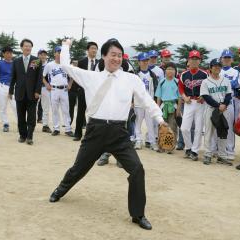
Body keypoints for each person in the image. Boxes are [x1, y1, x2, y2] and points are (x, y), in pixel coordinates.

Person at [49, 38, 166, 230]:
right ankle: (60, 190)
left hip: (119, 134)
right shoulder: (91, 77)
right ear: (104, 56)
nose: (117, 58)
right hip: (95, 131)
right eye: (113, 54)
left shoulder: (131, 79)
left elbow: (147, 100)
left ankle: (138, 214)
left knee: (137, 169)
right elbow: (64, 65)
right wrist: (66, 46)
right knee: (78, 169)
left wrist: (160, 120)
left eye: (120, 55)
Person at [9, 39, 42, 145]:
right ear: (21, 47)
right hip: (20, 92)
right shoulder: (16, 61)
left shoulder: (35, 60)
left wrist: (37, 91)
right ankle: (22, 135)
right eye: (26, 46)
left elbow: (39, 78)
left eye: (30, 46)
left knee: (32, 116)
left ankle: (29, 136)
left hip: (32, 94)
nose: (28, 48)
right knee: (21, 115)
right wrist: (10, 91)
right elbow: (13, 77)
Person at [200, 58, 232, 165]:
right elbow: (206, 97)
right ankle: (208, 154)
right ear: (210, 68)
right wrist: (219, 106)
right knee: (209, 132)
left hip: (224, 110)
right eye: (215, 66)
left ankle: (222, 156)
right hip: (211, 109)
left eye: (219, 65)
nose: (217, 67)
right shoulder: (205, 82)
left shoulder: (226, 80)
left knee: (223, 132)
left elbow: (228, 95)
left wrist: (224, 105)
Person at [179, 50, 208, 161]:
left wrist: (204, 96)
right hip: (189, 102)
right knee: (184, 128)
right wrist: (184, 97)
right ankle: (188, 147)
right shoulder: (183, 74)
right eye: (192, 58)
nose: (194, 61)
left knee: (198, 128)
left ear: (199, 61)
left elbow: (208, 87)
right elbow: (180, 87)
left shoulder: (204, 74)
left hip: (200, 103)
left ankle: (194, 151)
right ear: (189, 60)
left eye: (197, 59)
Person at [70, 41, 99, 141]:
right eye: (92, 48)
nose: (94, 50)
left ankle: (92, 134)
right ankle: (78, 134)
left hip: (95, 92)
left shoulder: (100, 63)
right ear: (88, 50)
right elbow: (77, 76)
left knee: (94, 113)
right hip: (83, 90)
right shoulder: (81, 62)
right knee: (81, 112)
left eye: (95, 48)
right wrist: (76, 88)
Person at [43, 46, 74, 137]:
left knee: (66, 110)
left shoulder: (66, 65)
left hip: (64, 89)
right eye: (58, 52)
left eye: (61, 52)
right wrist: (46, 84)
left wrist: (70, 84)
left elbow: (72, 76)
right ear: (54, 53)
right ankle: (56, 128)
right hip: (54, 89)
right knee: (55, 110)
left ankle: (68, 129)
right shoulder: (49, 65)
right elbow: (43, 76)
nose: (59, 54)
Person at [134, 52, 159, 151]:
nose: (145, 62)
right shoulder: (135, 74)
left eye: (146, 60)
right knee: (138, 123)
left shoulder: (152, 75)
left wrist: (155, 101)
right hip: (138, 102)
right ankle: (138, 140)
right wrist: (132, 101)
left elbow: (156, 89)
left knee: (150, 124)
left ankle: (152, 142)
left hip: (149, 102)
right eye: (143, 61)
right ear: (139, 62)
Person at [155, 62, 181, 154]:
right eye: (168, 69)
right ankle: (161, 146)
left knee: (173, 126)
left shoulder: (177, 82)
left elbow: (179, 97)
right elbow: (158, 96)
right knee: (162, 127)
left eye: (172, 69)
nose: (170, 71)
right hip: (163, 107)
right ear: (165, 71)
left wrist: (178, 108)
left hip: (173, 107)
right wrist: (157, 108)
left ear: (175, 71)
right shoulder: (161, 81)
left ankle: (170, 147)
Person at [219, 49, 240, 160]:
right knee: (216, 126)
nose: (226, 60)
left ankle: (230, 150)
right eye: (224, 58)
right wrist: (226, 83)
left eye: (228, 58)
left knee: (229, 127)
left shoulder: (235, 71)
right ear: (221, 59)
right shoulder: (217, 69)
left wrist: (221, 83)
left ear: (231, 59)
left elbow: (236, 84)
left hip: (229, 102)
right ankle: (217, 149)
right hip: (216, 102)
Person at [0, 46, 16, 132]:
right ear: (3, 54)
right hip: (2, 86)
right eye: (7, 53)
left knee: (16, 106)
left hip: (13, 87)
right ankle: (5, 124)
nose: (9, 55)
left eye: (10, 53)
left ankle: (21, 124)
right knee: (2, 107)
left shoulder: (15, 63)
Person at [37, 49, 52, 133]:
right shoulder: (34, 63)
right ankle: (30, 124)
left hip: (45, 88)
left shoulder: (49, 65)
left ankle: (45, 125)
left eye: (44, 55)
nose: (43, 56)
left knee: (46, 107)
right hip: (35, 89)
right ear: (38, 55)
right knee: (32, 106)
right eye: (41, 54)